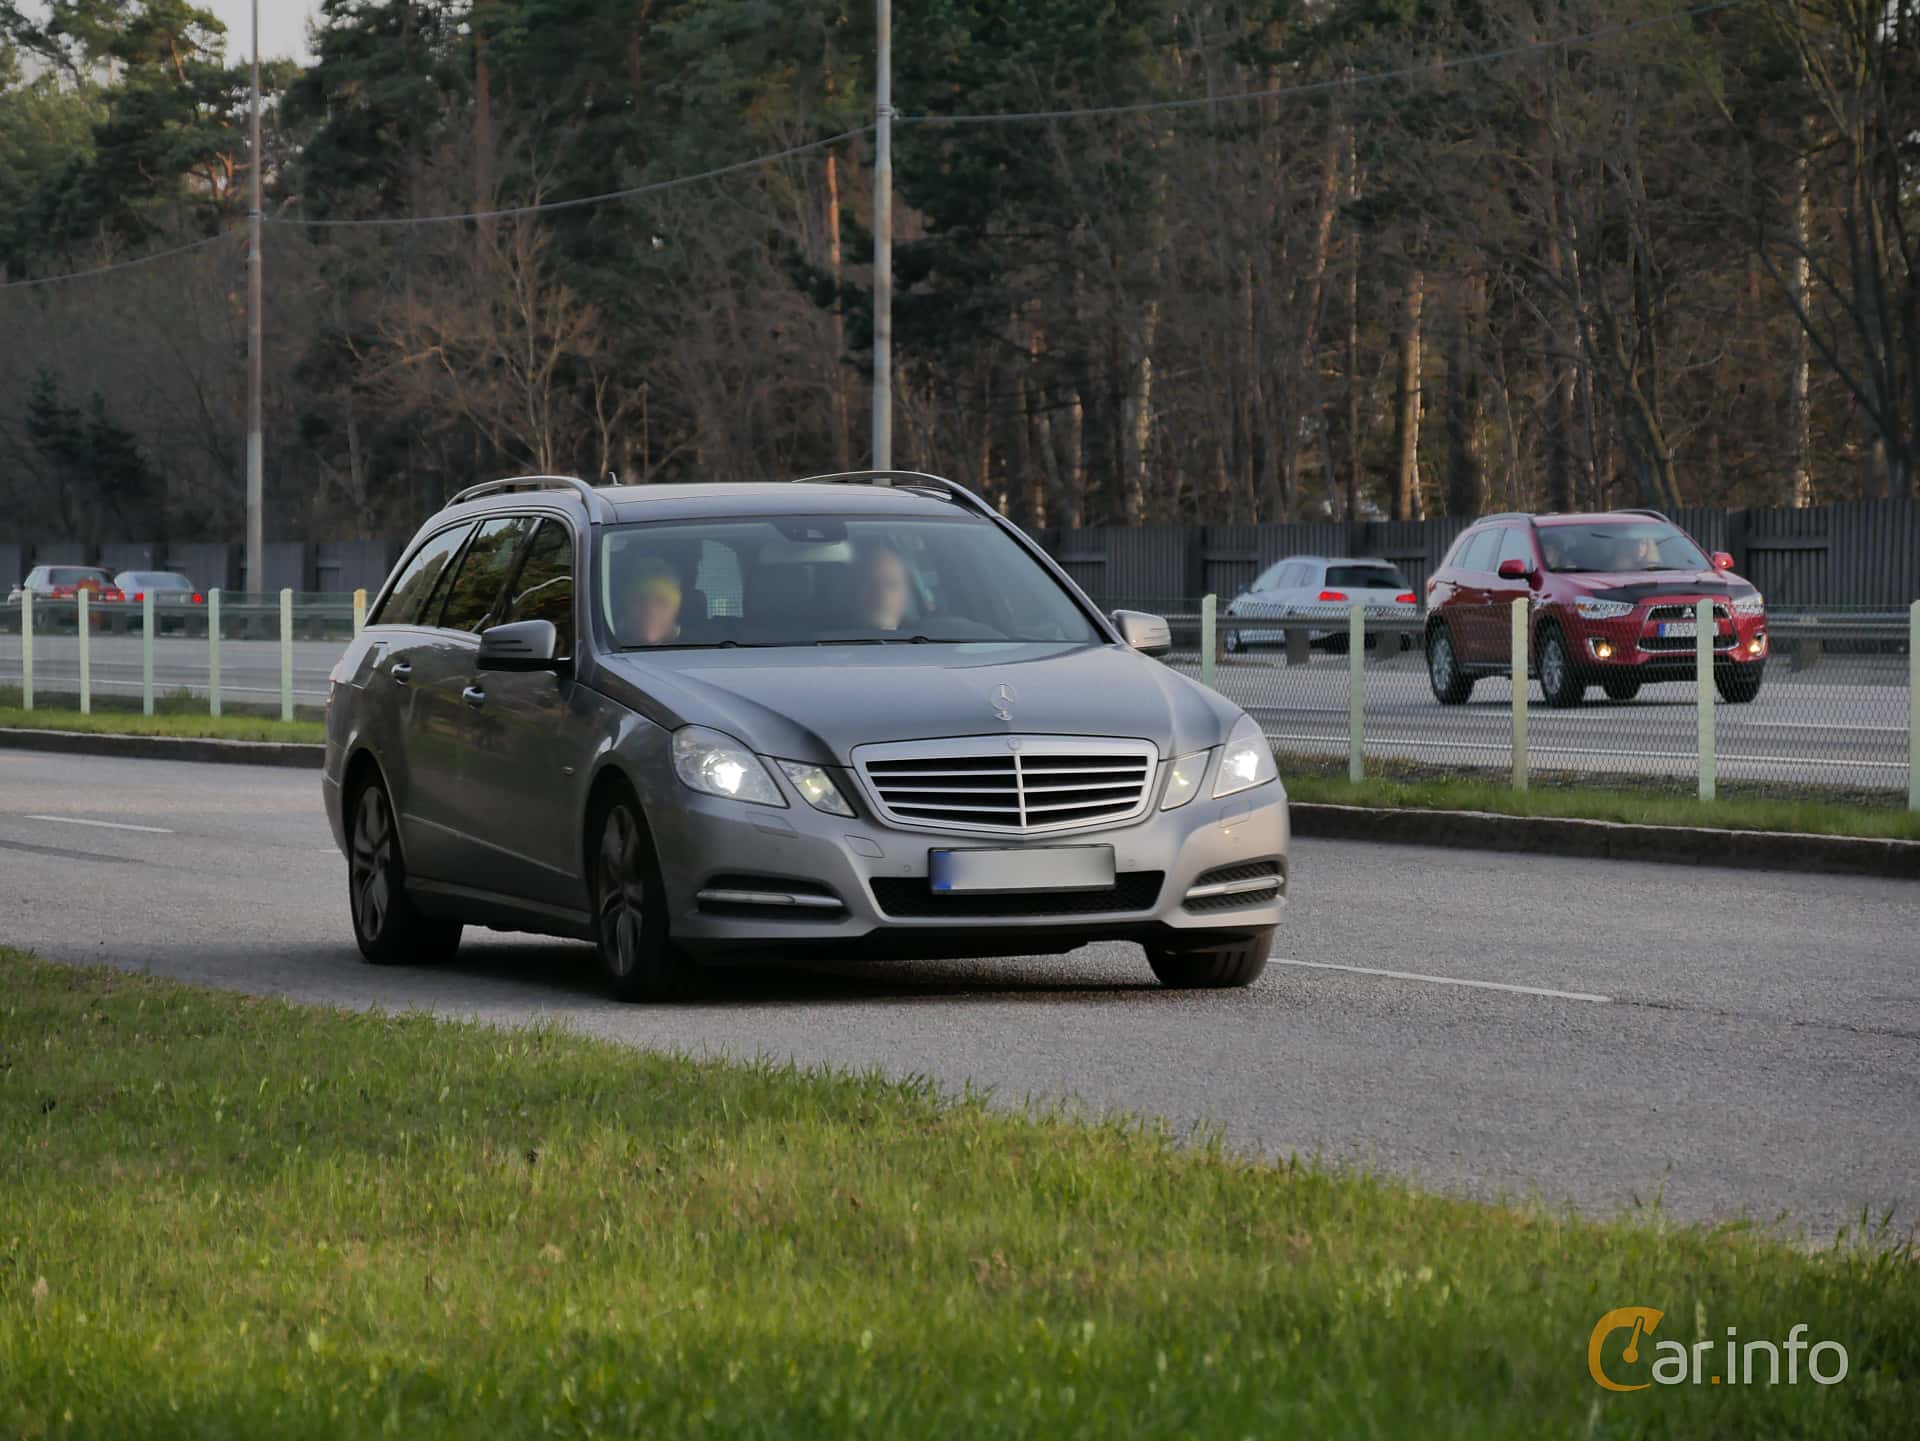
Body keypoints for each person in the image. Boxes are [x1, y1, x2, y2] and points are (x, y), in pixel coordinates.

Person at [619, 554, 683, 645]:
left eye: (661, 602)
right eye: (641, 600)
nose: (650, 610)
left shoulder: (695, 651)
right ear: (627, 606)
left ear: (674, 612)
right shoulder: (604, 645)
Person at [849, 541, 911, 632]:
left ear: (905, 594)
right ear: (853, 590)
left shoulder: (926, 637)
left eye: (891, 584)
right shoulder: (828, 636)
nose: (881, 595)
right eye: (871, 583)